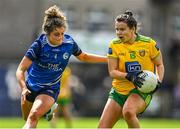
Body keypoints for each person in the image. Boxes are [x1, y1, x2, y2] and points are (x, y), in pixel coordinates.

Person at [16, 5, 107, 129]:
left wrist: (108, 59)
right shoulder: (39, 45)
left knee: (34, 115)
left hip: (50, 89)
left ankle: (47, 107)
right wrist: (23, 88)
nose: (60, 38)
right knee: (27, 119)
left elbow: (84, 57)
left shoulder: (69, 43)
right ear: (47, 34)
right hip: (31, 87)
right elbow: (20, 70)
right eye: (56, 34)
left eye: (62, 34)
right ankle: (48, 110)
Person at [98, 10, 164, 128]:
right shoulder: (114, 44)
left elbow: (160, 65)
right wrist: (129, 76)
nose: (119, 33)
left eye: (122, 29)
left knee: (128, 112)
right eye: (117, 29)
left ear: (133, 29)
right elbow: (112, 72)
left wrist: (158, 80)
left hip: (140, 90)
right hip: (118, 91)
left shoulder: (149, 44)